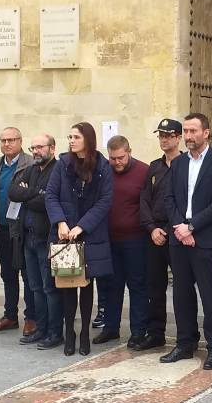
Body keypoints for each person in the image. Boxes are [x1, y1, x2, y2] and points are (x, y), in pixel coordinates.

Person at [160, 113, 212, 369]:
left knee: (208, 293)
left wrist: (192, 227)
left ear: (206, 133)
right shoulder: (178, 163)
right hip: (179, 236)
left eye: (193, 131)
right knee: (181, 292)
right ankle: (185, 343)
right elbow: (168, 198)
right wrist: (180, 228)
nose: (188, 136)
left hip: (204, 237)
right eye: (186, 132)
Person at [45, 122, 114, 357]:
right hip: (65, 235)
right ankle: (69, 332)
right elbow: (51, 195)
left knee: (86, 286)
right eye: (70, 136)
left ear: (88, 139)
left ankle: (84, 331)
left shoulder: (102, 166)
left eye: (76, 137)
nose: (71, 140)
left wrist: (82, 226)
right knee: (67, 287)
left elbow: (105, 201)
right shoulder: (63, 163)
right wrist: (61, 222)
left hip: (90, 235)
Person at [97, 135, 150, 345]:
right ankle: (111, 327)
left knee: (137, 285)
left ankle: (138, 330)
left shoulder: (144, 172)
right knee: (111, 285)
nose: (117, 162)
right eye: (113, 158)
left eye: (121, 157)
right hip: (109, 239)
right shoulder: (104, 172)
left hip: (136, 240)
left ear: (129, 152)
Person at [10, 134, 60, 348]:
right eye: (33, 148)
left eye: (40, 147)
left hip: (46, 238)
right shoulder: (30, 170)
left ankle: (55, 332)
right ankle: (41, 329)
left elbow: (47, 201)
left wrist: (29, 194)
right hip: (27, 237)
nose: (36, 151)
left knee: (50, 288)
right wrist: (35, 193)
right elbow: (13, 192)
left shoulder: (58, 171)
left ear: (52, 148)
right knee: (35, 287)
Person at [136, 119, 182, 351]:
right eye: (161, 135)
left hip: (178, 233)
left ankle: (185, 337)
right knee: (154, 287)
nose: (164, 139)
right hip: (155, 232)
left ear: (178, 137)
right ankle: (156, 333)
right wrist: (151, 228)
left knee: (182, 288)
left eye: (168, 135)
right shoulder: (154, 167)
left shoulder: (185, 164)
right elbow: (144, 199)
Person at [0, 127, 34, 334]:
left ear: (20, 141)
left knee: (28, 274)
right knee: (8, 274)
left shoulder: (30, 163)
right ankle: (9, 316)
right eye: (3, 140)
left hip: (24, 229)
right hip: (2, 228)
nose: (7, 144)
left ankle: (32, 316)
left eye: (11, 140)